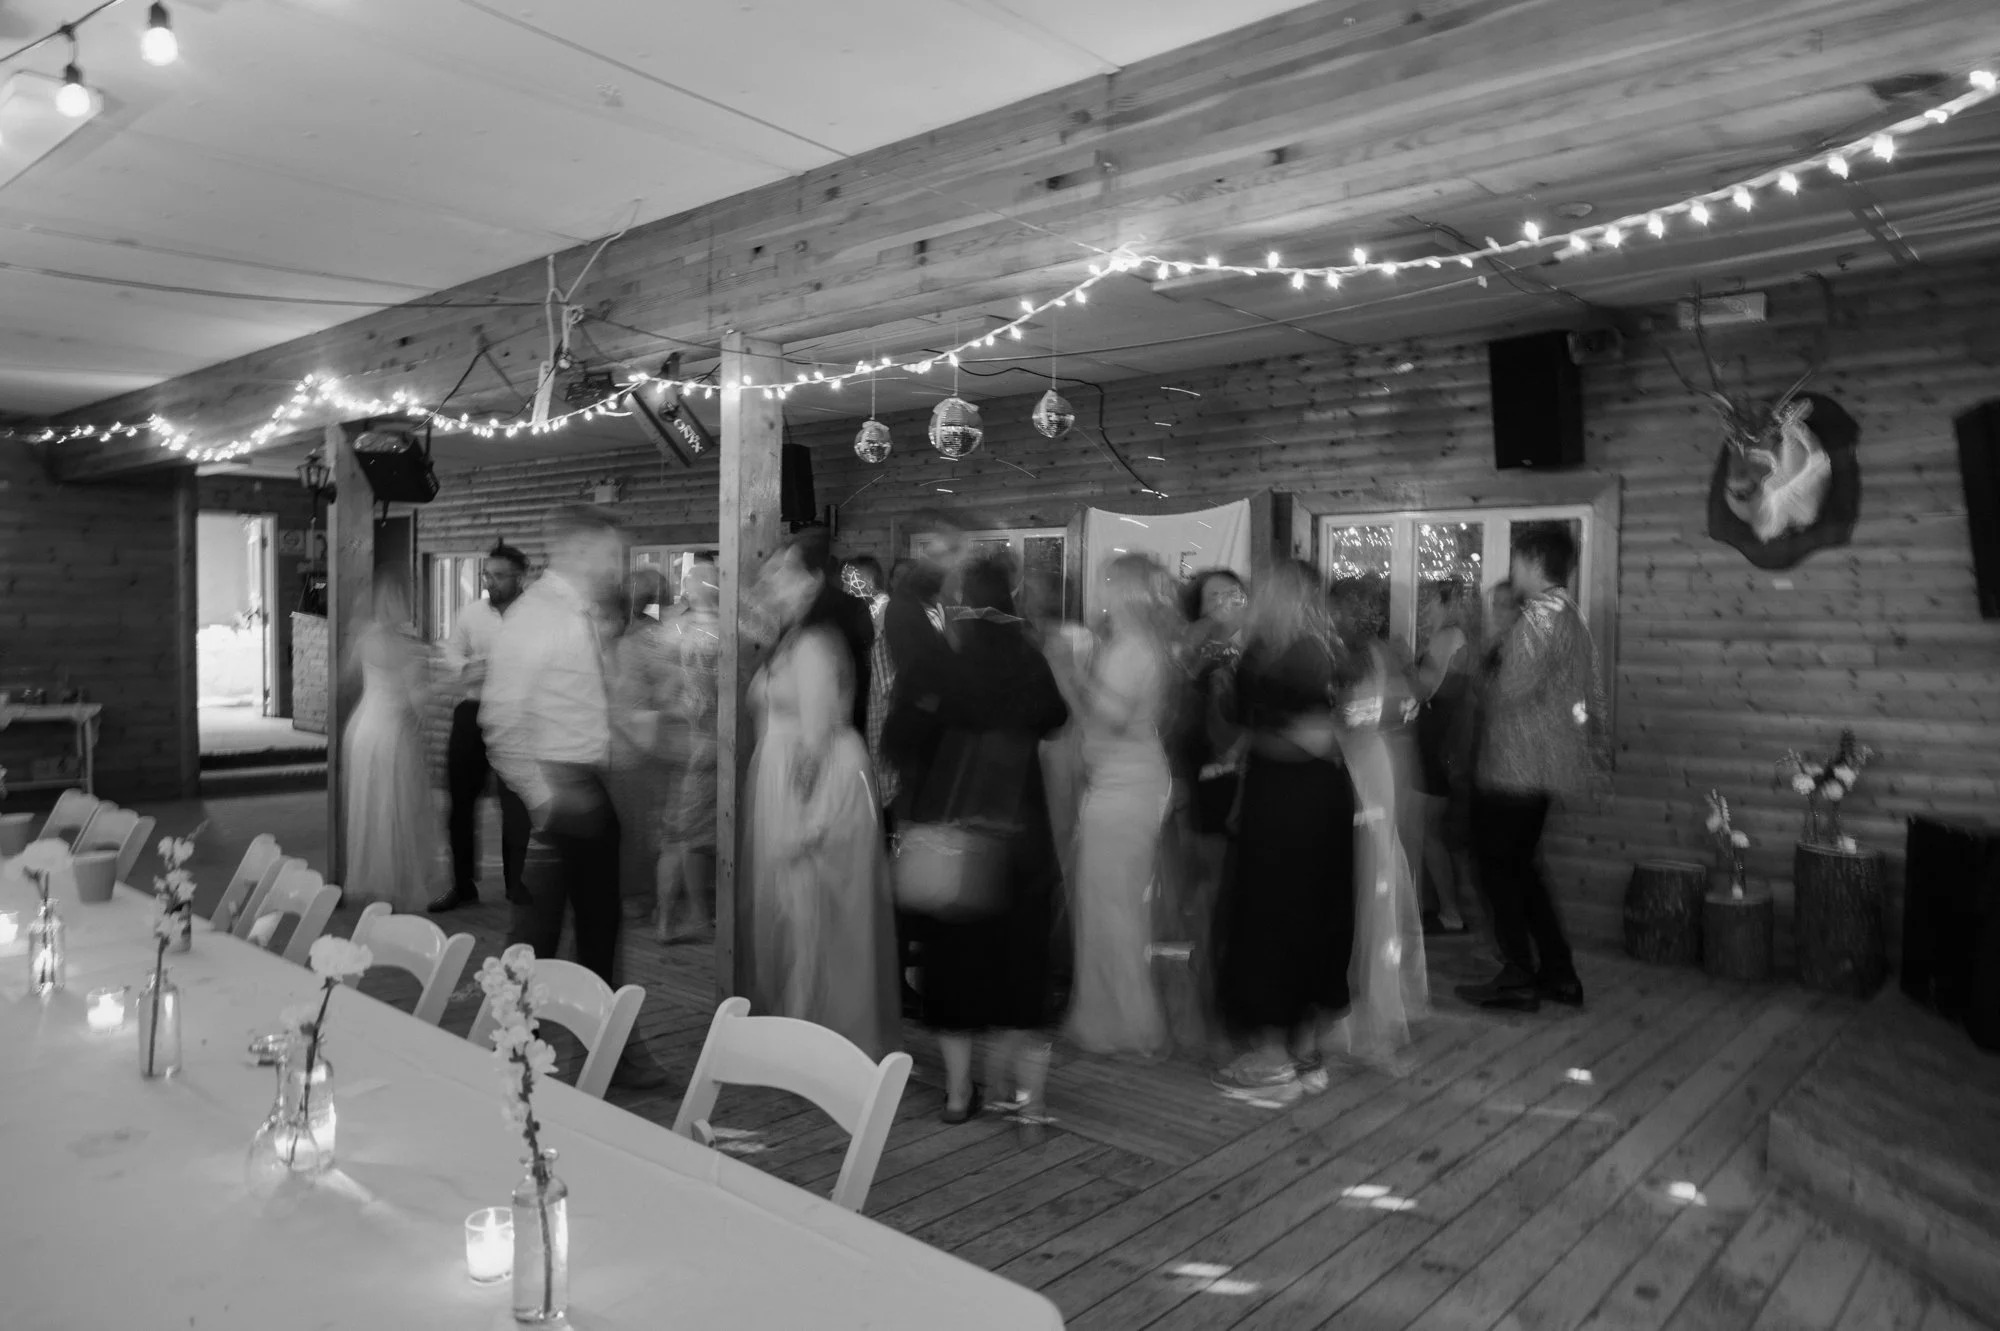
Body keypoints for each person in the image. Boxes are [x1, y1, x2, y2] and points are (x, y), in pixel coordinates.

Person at [483, 504, 671, 1090]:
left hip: (586, 786)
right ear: (583, 552)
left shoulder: (580, 615)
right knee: (536, 939)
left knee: (597, 931)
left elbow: (580, 702)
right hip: (555, 790)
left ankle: (609, 1053)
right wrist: (545, 799)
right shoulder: (539, 616)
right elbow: (501, 720)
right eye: (614, 554)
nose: (620, 567)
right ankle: (518, 1057)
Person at [885, 554, 1069, 1124]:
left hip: (953, 836)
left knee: (954, 969)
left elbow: (897, 741)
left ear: (960, 595)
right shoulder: (1030, 657)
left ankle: (961, 1094)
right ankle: (1025, 1099)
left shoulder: (938, 661)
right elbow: (1056, 718)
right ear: (1012, 592)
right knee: (1022, 967)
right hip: (1021, 835)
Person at [744, 530, 899, 1060]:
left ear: (811, 583)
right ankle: (802, 1024)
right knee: (799, 914)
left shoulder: (814, 644)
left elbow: (814, 741)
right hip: (791, 779)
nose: (772, 584)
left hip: (813, 784)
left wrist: (803, 818)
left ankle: (819, 1038)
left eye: (783, 574)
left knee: (814, 914)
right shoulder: (794, 638)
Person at [1210, 560, 1359, 1101]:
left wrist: (1270, 735)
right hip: (1281, 795)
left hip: (1303, 800)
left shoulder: (1307, 652)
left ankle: (1285, 1054)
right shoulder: (1268, 648)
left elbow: (1320, 736)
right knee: (1281, 914)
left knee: (1292, 914)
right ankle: (1291, 1048)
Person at [1456, 528, 1607, 1014]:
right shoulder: (1570, 614)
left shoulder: (1541, 616)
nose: (1512, 570)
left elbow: (1501, 691)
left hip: (1514, 768)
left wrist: (1483, 658)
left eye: (1517, 560)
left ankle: (1519, 974)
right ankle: (1558, 974)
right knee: (1523, 873)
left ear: (1535, 561)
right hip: (1540, 767)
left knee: (1500, 871)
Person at [1065, 553, 1176, 1058]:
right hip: (1125, 781)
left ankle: (1127, 1026)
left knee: (1113, 907)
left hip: (1124, 788)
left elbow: (1106, 718)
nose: (1100, 594)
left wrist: (1067, 674)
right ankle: (1109, 1017)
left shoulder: (1132, 649)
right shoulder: (1134, 644)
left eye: (1107, 584)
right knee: (1110, 904)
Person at [434, 542, 531, 912]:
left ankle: (517, 885)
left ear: (521, 577)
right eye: (486, 574)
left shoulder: (535, 617)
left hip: (516, 715)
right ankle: (461, 885)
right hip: (472, 711)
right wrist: (463, 667)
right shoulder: (472, 613)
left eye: (498, 575)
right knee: (460, 801)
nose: (489, 581)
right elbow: (451, 649)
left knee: (516, 802)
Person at [343, 580, 440, 912]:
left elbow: (349, 675)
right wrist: (447, 684)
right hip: (394, 734)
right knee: (397, 809)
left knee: (372, 807)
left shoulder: (365, 638)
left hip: (363, 730)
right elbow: (417, 701)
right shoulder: (410, 649)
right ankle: (393, 888)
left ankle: (374, 883)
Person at [657, 555, 720, 943]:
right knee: (689, 837)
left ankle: (677, 916)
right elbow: (709, 697)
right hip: (704, 741)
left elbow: (663, 689)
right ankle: (683, 916)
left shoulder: (675, 629)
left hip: (682, 739)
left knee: (678, 836)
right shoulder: (713, 632)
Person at [609, 567, 676, 922]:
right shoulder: (635, 640)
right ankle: (639, 893)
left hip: (642, 743)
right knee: (637, 824)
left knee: (641, 824)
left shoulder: (645, 640)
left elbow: (654, 692)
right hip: (631, 743)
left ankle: (642, 893)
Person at [1413, 582, 1480, 935]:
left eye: (1428, 603)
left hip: (1435, 743)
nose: (1424, 610)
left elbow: (1424, 690)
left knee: (1429, 832)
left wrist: (1396, 666)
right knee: (1429, 831)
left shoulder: (1447, 638)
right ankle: (1436, 908)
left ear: (1445, 603)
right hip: (1440, 743)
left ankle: (1449, 913)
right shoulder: (1455, 638)